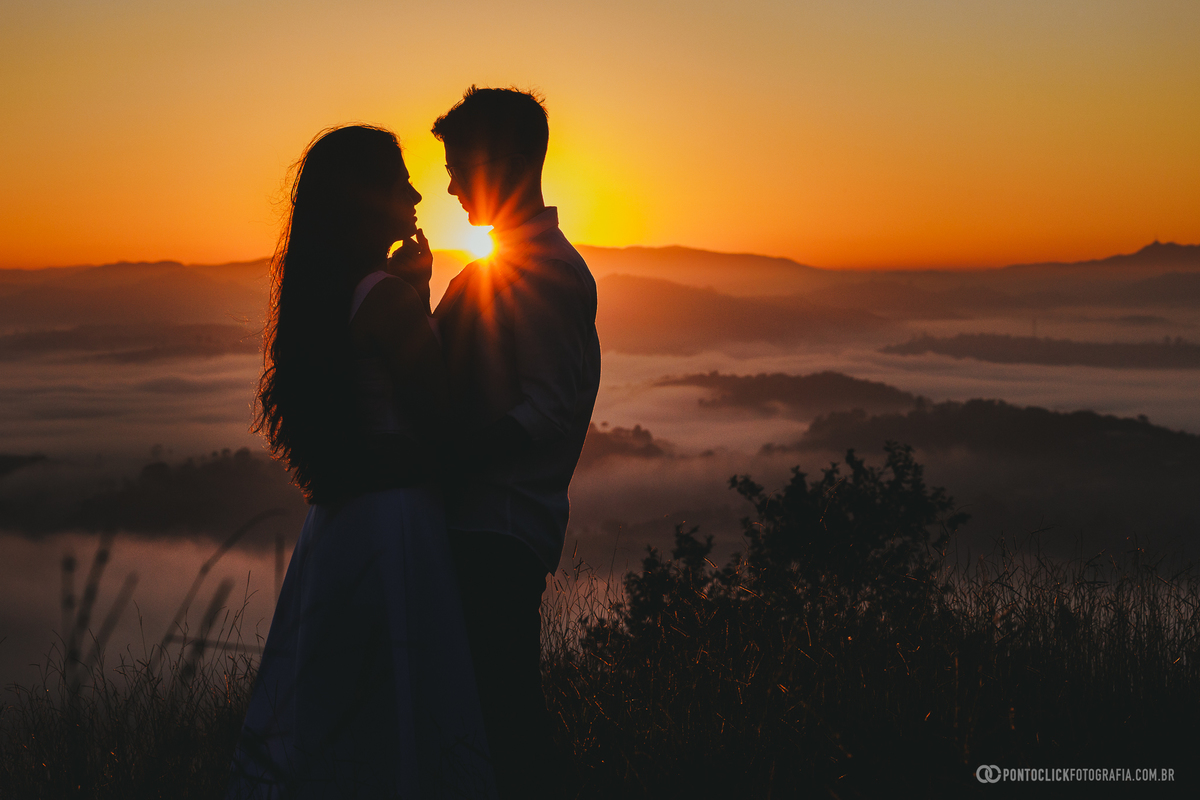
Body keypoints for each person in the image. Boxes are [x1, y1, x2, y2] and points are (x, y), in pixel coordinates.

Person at [227, 125, 496, 799]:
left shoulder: (331, 291)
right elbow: (440, 417)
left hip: (340, 526)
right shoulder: (383, 295)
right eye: (399, 179)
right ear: (369, 195)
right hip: (397, 525)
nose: (414, 193)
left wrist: (417, 292)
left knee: (339, 712)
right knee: (408, 708)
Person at [395, 87, 601, 800]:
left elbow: (545, 408)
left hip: (498, 530)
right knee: (485, 722)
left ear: (510, 164)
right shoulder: (504, 263)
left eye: (461, 165)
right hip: (484, 526)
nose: (449, 183)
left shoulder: (543, 269)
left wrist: (448, 460)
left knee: (503, 725)